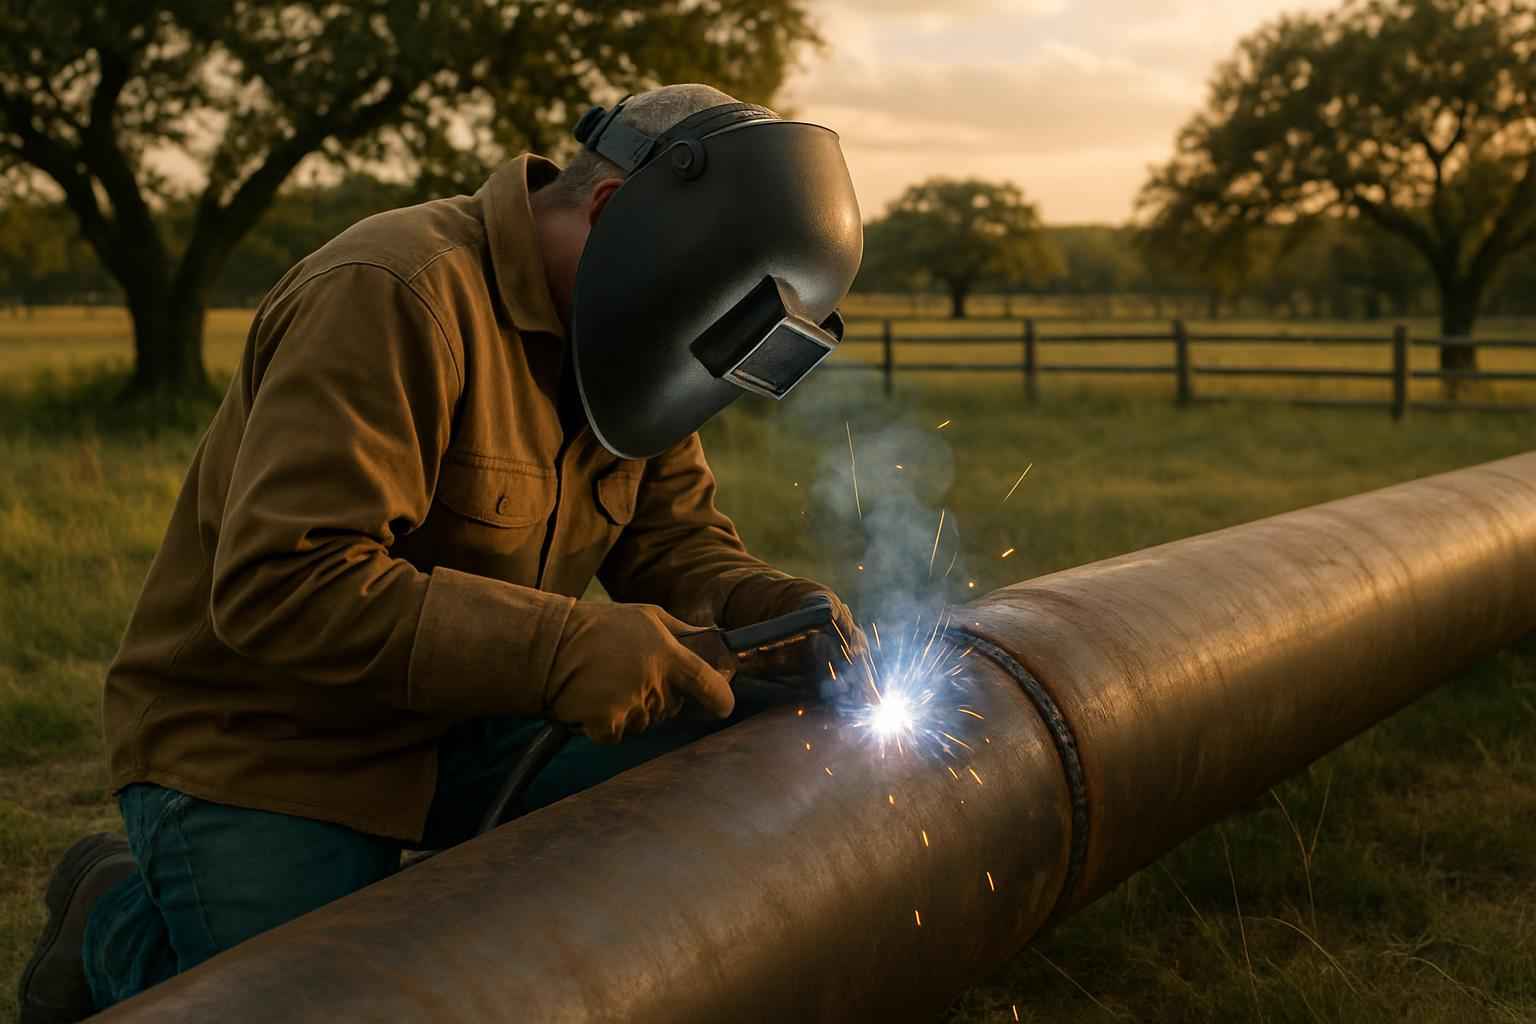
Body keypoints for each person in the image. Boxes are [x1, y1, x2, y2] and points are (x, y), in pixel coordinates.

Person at [17, 82, 865, 1023]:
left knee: (736, 751)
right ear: (616, 214)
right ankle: (117, 926)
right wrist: (564, 650)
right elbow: (282, 587)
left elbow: (672, 537)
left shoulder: (632, 336)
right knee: (332, 1011)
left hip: (470, 719)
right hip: (270, 745)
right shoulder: (393, 291)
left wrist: (757, 602)